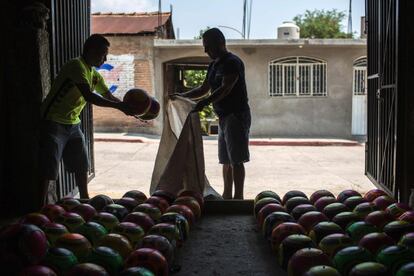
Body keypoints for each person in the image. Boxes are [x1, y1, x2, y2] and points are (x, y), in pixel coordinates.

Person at [39, 34, 134, 206]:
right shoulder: (76, 66)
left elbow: (108, 95)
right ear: (90, 50)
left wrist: (127, 107)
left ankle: (84, 201)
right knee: (49, 169)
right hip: (53, 121)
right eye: (102, 54)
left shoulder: (94, 74)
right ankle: (40, 208)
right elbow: (89, 96)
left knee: (82, 164)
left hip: (73, 123)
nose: (104, 59)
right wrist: (121, 107)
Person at [171, 28, 251, 199]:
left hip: (236, 115)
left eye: (208, 46)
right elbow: (204, 89)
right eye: (204, 46)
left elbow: (225, 88)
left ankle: (238, 198)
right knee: (226, 160)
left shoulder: (232, 62)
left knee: (237, 159)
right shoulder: (214, 65)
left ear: (221, 43)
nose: (206, 50)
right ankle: (227, 196)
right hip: (223, 116)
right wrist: (181, 97)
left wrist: (205, 103)